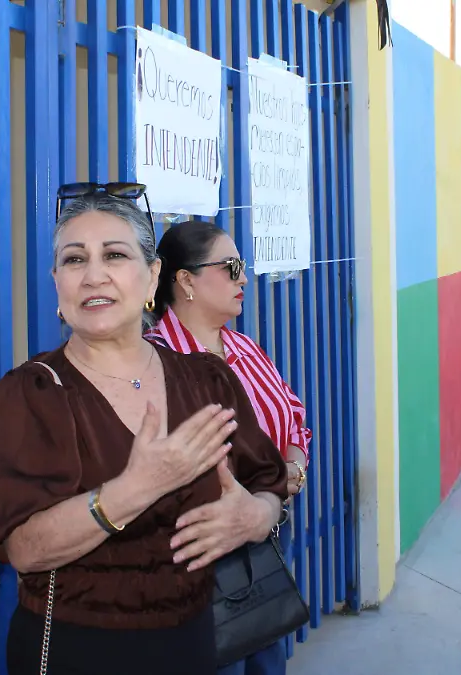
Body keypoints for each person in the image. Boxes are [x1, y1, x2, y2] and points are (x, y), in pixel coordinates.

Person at [0, 184, 289, 675]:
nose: (93, 275)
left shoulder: (206, 379)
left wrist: (257, 515)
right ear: (56, 280)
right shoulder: (33, 394)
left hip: (197, 645)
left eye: (114, 255)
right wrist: (134, 489)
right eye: (74, 260)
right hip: (75, 653)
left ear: (152, 277)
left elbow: (269, 484)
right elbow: (24, 550)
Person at [149, 220, 311, 675]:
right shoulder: (155, 360)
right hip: (204, 560)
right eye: (231, 266)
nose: (244, 278)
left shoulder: (245, 348)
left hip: (272, 536)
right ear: (185, 281)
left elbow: (293, 418)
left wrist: (291, 472)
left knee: (267, 660)